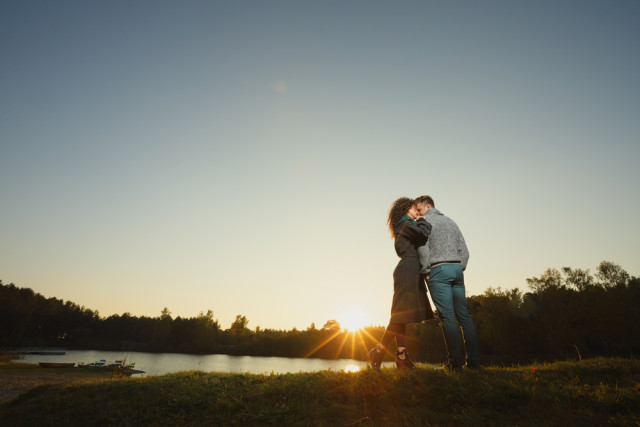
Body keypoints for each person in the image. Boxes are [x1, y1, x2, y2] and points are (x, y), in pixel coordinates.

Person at [415, 195, 480, 371]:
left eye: (419, 210)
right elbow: (464, 251)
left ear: (428, 206)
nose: (417, 214)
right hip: (457, 271)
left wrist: (425, 271)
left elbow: (422, 248)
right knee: (464, 316)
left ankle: (455, 363)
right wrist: (460, 267)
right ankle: (473, 363)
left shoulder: (425, 222)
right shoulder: (452, 222)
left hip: (438, 271)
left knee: (447, 317)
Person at [369, 197, 432, 371]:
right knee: (399, 315)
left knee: (402, 316)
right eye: (415, 208)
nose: (417, 212)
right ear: (406, 209)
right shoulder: (405, 222)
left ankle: (401, 357)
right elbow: (422, 235)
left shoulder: (405, 223)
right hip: (407, 269)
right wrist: (422, 221)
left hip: (410, 269)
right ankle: (379, 351)